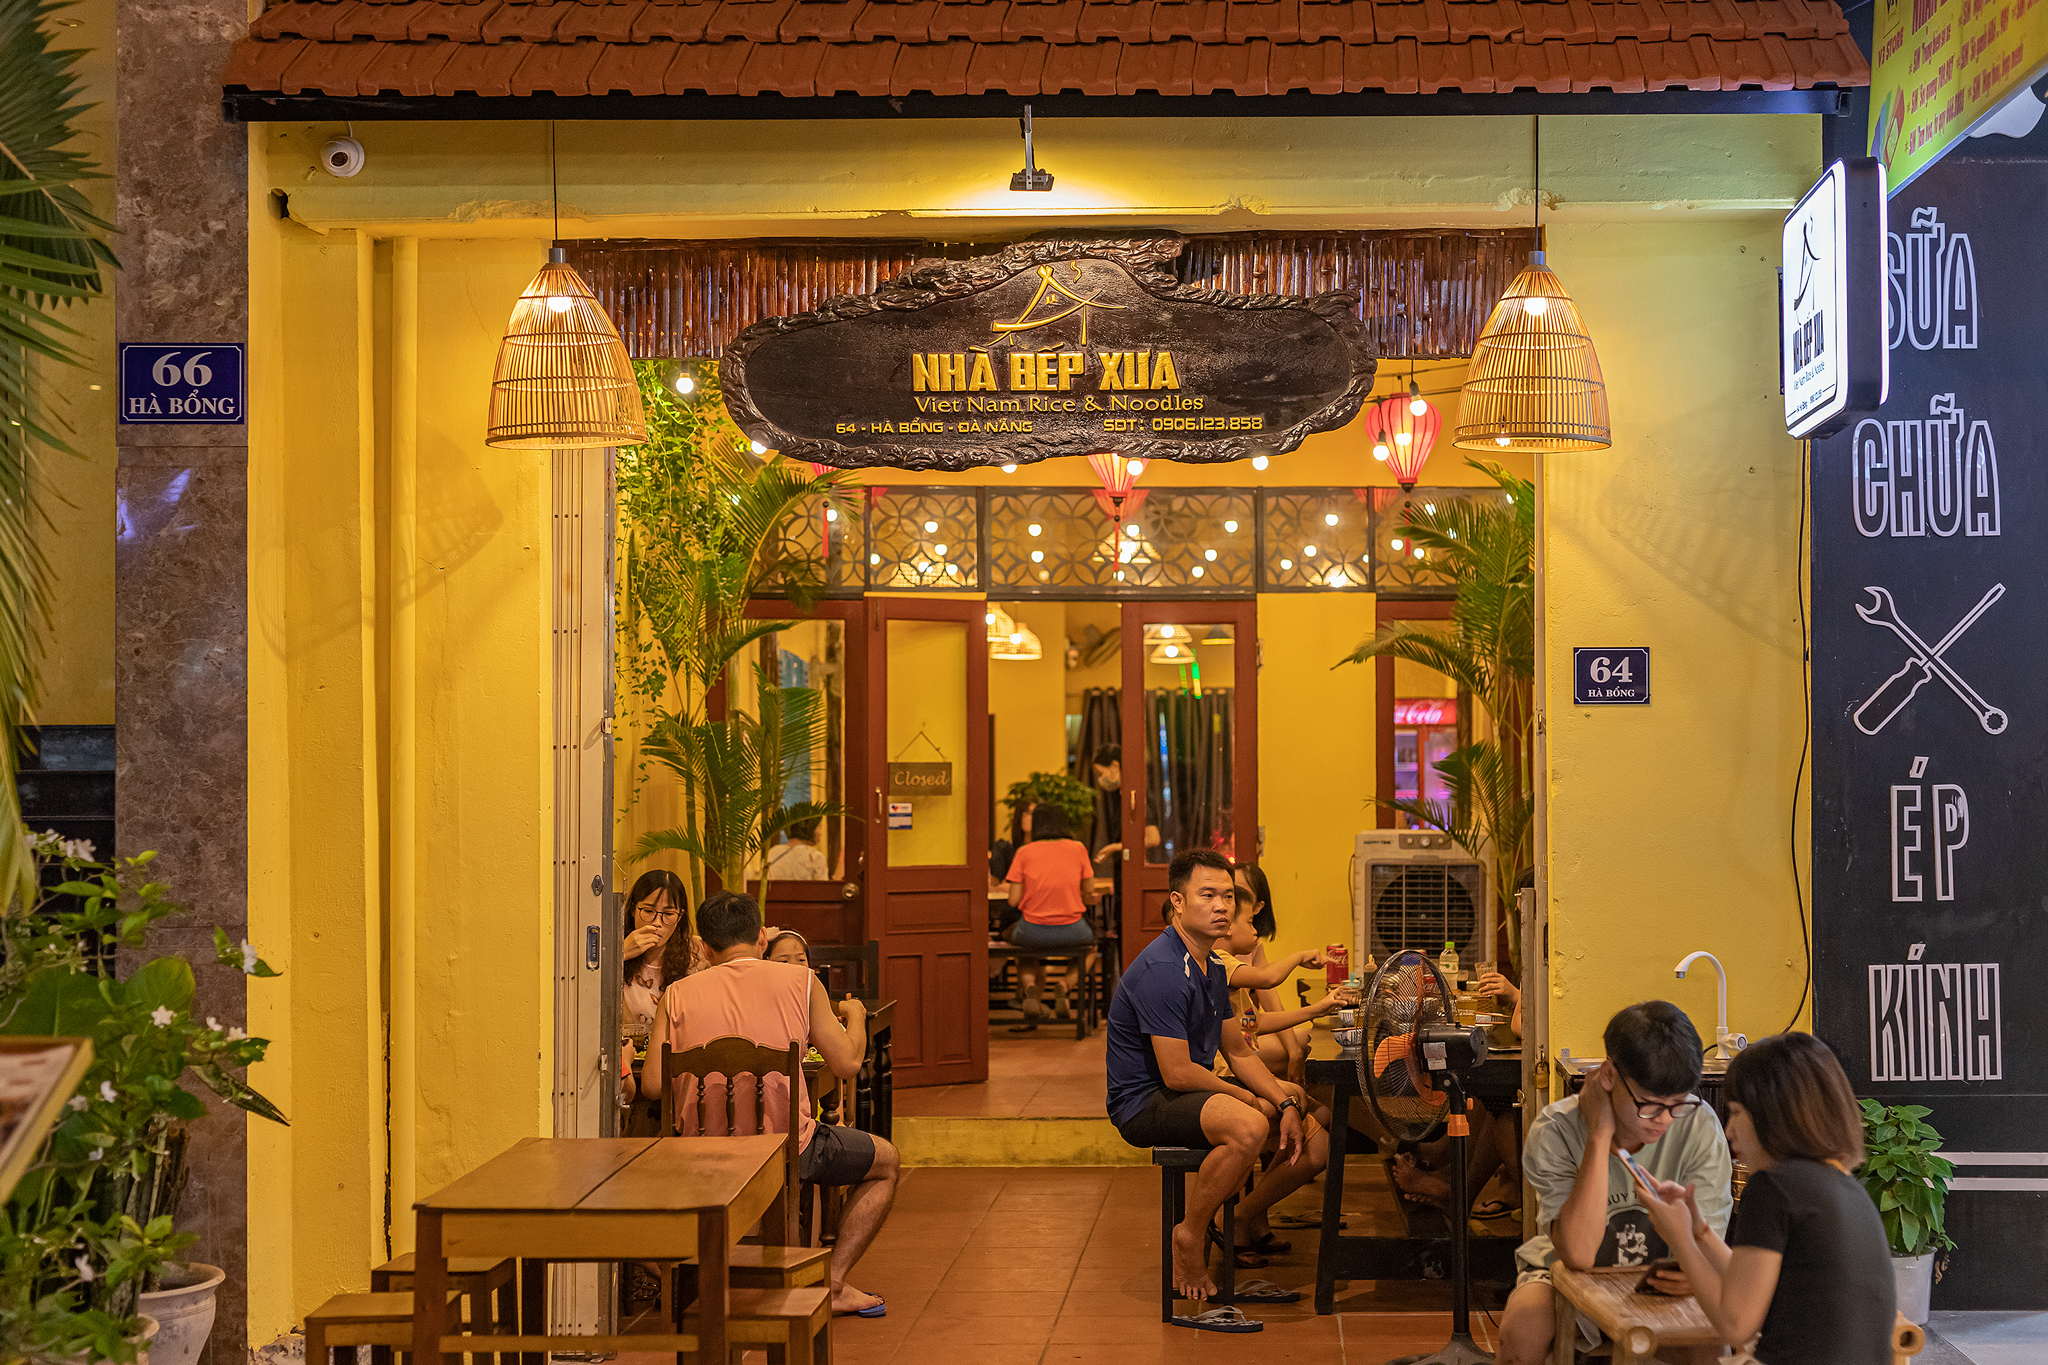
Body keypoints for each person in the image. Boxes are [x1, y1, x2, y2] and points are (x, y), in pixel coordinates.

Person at [644, 890, 899, 1318]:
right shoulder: (802, 983)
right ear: (762, 938)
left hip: (698, 1156)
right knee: (886, 1162)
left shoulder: (676, 995)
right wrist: (855, 1016)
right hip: (786, 1151)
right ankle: (833, 1284)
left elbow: (653, 1085)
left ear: (705, 948)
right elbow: (847, 1063)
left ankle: (693, 1280)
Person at [1104, 848, 1326, 1309]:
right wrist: (1246, 1099)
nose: (1222, 906)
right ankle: (1190, 1233)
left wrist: (1284, 1102)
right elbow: (1177, 1072)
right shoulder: (1165, 969)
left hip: (1184, 1089)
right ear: (1178, 902)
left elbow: (1239, 1050)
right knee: (1250, 1124)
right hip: (1144, 1101)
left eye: (1228, 896)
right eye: (1207, 895)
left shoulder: (1212, 965)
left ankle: (1246, 1219)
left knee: (1300, 1117)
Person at [1496, 1000, 1734, 1365]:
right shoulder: (1556, 1129)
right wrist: (1600, 1134)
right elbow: (1578, 1254)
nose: (1664, 1120)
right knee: (1525, 1325)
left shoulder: (1699, 1126)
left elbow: (1706, 1249)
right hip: (1564, 1274)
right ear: (1608, 1075)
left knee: (1710, 1345)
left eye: (1677, 1104)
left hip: (1660, 1282)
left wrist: (1695, 1270)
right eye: (1650, 1104)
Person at [1638, 1033, 1895, 1365]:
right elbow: (1752, 1283)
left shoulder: (1772, 1187)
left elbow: (1735, 1326)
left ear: (1774, 1114)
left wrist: (1679, 1240)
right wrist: (1698, 1230)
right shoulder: (1847, 1188)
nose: (1729, 1131)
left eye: (1736, 1113)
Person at [1212, 883, 1355, 1264]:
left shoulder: (1228, 967)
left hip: (1238, 1072)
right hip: (1225, 1079)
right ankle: (1237, 1219)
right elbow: (1268, 979)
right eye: (1250, 921)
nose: (1256, 930)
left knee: (1321, 1114)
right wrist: (1299, 956)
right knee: (1316, 1128)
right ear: (1228, 926)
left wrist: (1317, 1009)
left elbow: (1254, 1024)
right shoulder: (1219, 961)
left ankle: (1249, 1215)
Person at [1003, 803, 1098, 1030]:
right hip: (1073, 930)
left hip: (1032, 931)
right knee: (1091, 948)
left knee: (1023, 949)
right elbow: (1089, 890)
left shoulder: (1024, 852)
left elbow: (1013, 901)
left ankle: (1029, 988)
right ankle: (1064, 985)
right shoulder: (1078, 849)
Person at [622, 869, 690, 1038]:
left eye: (668, 914)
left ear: (680, 916)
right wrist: (621, 954)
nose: (657, 922)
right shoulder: (611, 951)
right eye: (648, 911)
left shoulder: (696, 954)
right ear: (633, 909)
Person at [1088, 744, 1160, 865]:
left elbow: (1153, 839)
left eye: (1100, 773)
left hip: (1136, 868)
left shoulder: (1136, 796)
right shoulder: (1121, 796)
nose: (1100, 780)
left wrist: (1115, 847)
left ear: (1115, 766)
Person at [765, 818, 829, 881]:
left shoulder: (772, 852)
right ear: (810, 829)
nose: (820, 834)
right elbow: (823, 886)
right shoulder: (814, 856)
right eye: (819, 828)